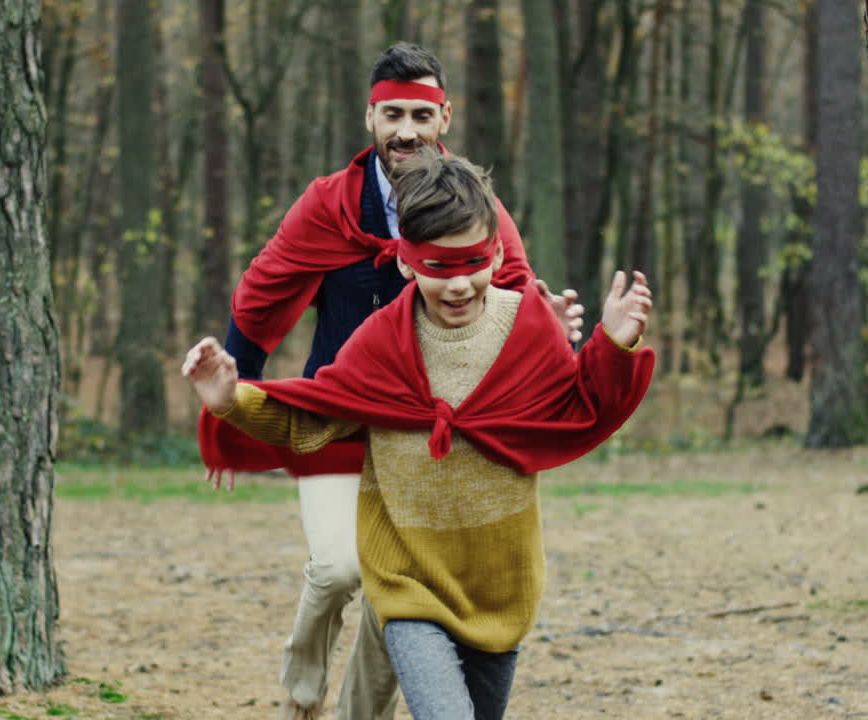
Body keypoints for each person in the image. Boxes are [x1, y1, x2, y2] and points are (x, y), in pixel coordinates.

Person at [185, 151, 655, 719]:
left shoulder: (526, 325)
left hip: (499, 583)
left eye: (472, 264)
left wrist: (613, 343)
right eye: (438, 267)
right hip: (408, 582)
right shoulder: (382, 341)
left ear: (500, 252)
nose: (458, 284)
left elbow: (578, 409)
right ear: (407, 264)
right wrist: (232, 399)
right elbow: (311, 416)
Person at [212, 43, 580, 719]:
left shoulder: (478, 211)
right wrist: (227, 420)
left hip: (424, 439)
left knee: (396, 583)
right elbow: (259, 300)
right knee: (339, 568)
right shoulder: (329, 207)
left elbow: (518, 306)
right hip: (339, 412)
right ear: (369, 119)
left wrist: (558, 344)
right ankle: (301, 690)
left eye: (420, 113)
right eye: (391, 114)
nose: (405, 129)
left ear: (445, 119)